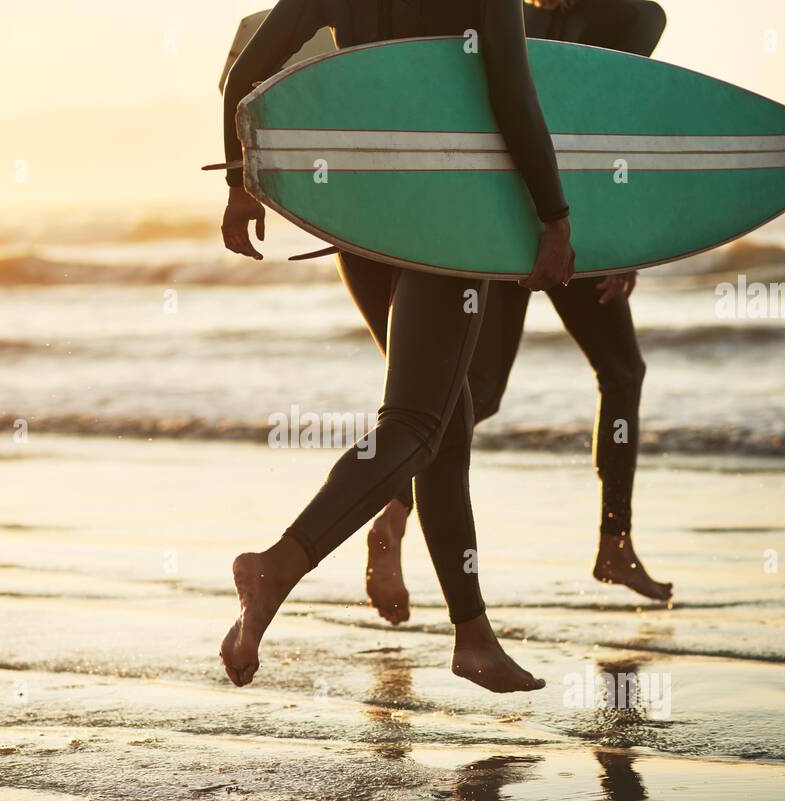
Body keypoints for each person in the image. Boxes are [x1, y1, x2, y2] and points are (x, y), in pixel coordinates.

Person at [219, 0, 573, 691]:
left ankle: (472, 636)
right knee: (416, 424)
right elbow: (512, 92)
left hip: (358, 211)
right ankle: (278, 565)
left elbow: (245, 77)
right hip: (445, 205)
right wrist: (554, 214)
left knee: (450, 412)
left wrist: (241, 185)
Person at [364, 0, 673, 630]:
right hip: (558, 226)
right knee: (592, 376)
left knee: (487, 392)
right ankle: (612, 543)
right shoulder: (632, 18)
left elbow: (579, 125)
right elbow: (603, 134)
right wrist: (615, 239)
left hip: (519, 220)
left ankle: (393, 514)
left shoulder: (538, 17)